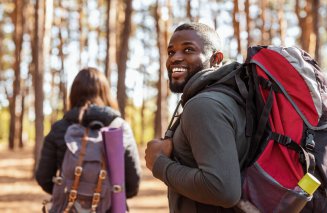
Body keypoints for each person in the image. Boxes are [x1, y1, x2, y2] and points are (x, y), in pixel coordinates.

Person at [145, 22, 251, 212]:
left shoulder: (204, 105)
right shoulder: (225, 97)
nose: (175, 58)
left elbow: (223, 190)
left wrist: (158, 163)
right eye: (171, 52)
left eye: (188, 50)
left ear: (216, 58)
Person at [35, 67, 141, 207]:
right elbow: (133, 184)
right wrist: (105, 195)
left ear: (73, 94)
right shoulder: (119, 127)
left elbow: (44, 177)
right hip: (109, 208)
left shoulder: (60, 128)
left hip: (68, 207)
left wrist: (69, 191)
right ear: (106, 93)